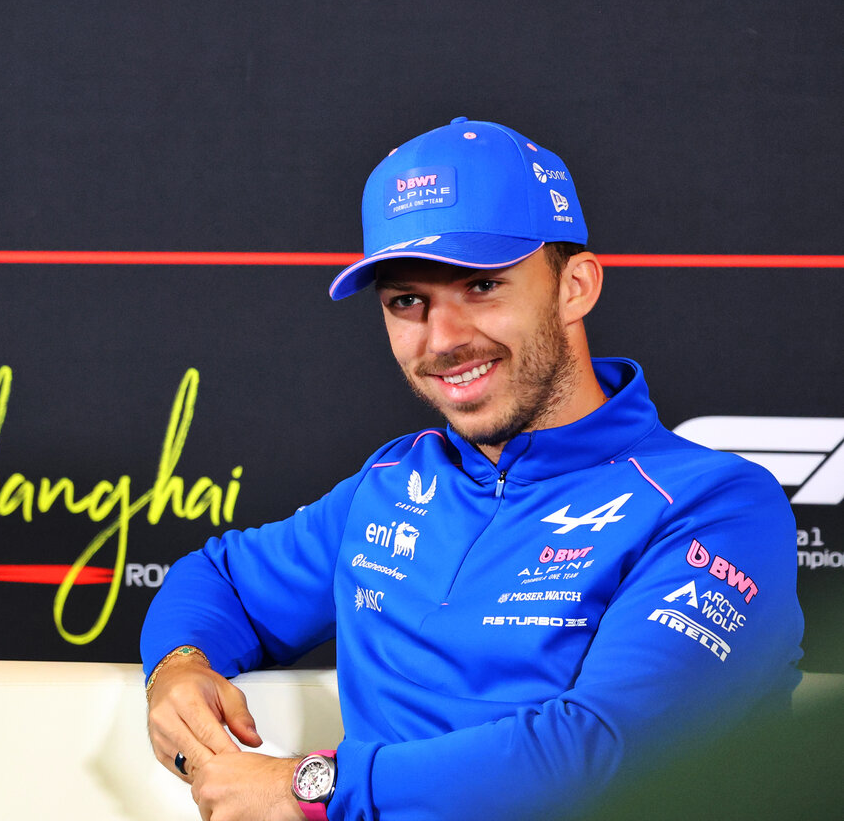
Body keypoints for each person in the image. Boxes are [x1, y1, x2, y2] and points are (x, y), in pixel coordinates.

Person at [139, 117, 803, 821]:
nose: (444, 338)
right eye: (406, 302)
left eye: (482, 285)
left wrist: (312, 787)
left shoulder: (716, 507)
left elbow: (602, 758)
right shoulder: (396, 481)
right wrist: (178, 669)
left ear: (574, 286)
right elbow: (221, 582)